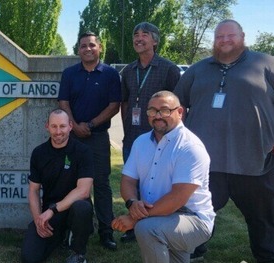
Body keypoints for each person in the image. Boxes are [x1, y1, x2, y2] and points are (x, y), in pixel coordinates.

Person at [174, 19, 274, 262]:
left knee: (264, 217)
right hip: (206, 164)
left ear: (242, 36)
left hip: (258, 160)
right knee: (197, 211)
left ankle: (269, 258)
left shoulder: (267, 64)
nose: (224, 40)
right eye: (219, 36)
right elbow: (177, 104)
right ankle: (193, 253)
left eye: (230, 35)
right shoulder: (197, 70)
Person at [112, 91, 215, 263]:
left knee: (146, 229)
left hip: (193, 219)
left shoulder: (190, 147)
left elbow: (177, 198)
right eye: (152, 111)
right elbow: (128, 180)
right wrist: (132, 202)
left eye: (165, 110)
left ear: (180, 112)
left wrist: (134, 218)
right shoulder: (141, 142)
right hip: (159, 216)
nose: (158, 116)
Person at [58, 32, 121, 250]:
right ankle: (81, 227)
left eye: (92, 45)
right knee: (73, 184)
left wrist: (91, 125)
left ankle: (106, 231)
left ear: (99, 48)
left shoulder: (111, 74)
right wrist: (75, 126)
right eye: (83, 46)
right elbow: (63, 102)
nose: (88, 49)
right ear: (78, 50)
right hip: (73, 137)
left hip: (98, 137)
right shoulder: (69, 74)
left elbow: (114, 105)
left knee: (101, 185)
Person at [119, 21, 181, 243]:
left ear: (155, 40)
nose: (138, 38)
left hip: (160, 140)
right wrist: (127, 127)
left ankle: (155, 226)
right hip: (133, 138)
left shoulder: (169, 69)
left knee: (155, 184)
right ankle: (132, 226)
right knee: (133, 183)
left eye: (145, 34)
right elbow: (125, 103)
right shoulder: (128, 71)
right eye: (136, 34)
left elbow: (179, 106)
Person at [21, 109, 94, 263]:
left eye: (62, 126)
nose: (58, 131)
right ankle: (62, 236)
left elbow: (83, 191)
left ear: (70, 126)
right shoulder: (39, 153)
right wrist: (38, 221)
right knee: (29, 258)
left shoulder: (83, 152)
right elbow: (33, 191)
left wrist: (52, 210)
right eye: (54, 126)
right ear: (47, 126)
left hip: (72, 210)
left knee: (83, 207)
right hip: (51, 214)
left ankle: (78, 253)